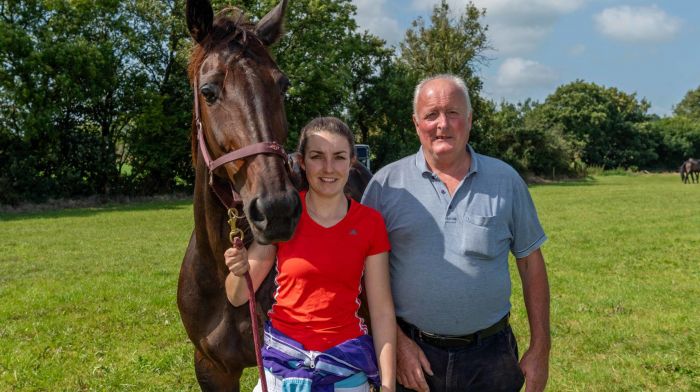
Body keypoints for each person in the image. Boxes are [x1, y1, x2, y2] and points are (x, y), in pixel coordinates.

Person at [362, 74, 550, 392]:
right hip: (414, 357)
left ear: (470, 119)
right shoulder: (384, 185)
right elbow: (362, 274)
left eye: (453, 113)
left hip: (492, 357)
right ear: (415, 122)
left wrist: (541, 349)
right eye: (431, 114)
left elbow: (531, 265)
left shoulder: (506, 181)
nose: (442, 124)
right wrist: (396, 343)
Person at [225, 117, 397, 392]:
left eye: (339, 157)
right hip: (282, 365)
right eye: (317, 157)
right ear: (302, 161)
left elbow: (381, 311)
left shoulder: (370, 223)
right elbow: (237, 296)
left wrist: (388, 384)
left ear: (352, 161)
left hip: (345, 366)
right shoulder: (285, 214)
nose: (329, 168)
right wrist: (239, 270)